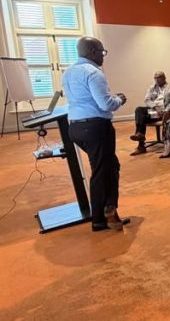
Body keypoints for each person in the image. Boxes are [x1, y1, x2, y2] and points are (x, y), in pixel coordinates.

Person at [63, 36, 128, 232]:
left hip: (75, 127)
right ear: (92, 51)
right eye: (102, 52)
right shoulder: (93, 72)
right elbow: (106, 104)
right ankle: (101, 217)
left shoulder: (68, 71)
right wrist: (120, 99)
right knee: (101, 170)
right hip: (95, 128)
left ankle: (110, 208)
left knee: (110, 165)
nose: (103, 56)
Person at [129, 71, 170, 155]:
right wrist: (155, 107)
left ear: (164, 78)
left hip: (163, 112)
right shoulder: (152, 88)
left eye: (159, 77)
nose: (157, 80)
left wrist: (165, 111)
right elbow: (147, 100)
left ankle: (141, 146)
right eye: (155, 78)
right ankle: (140, 134)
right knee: (139, 109)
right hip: (153, 110)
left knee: (142, 119)